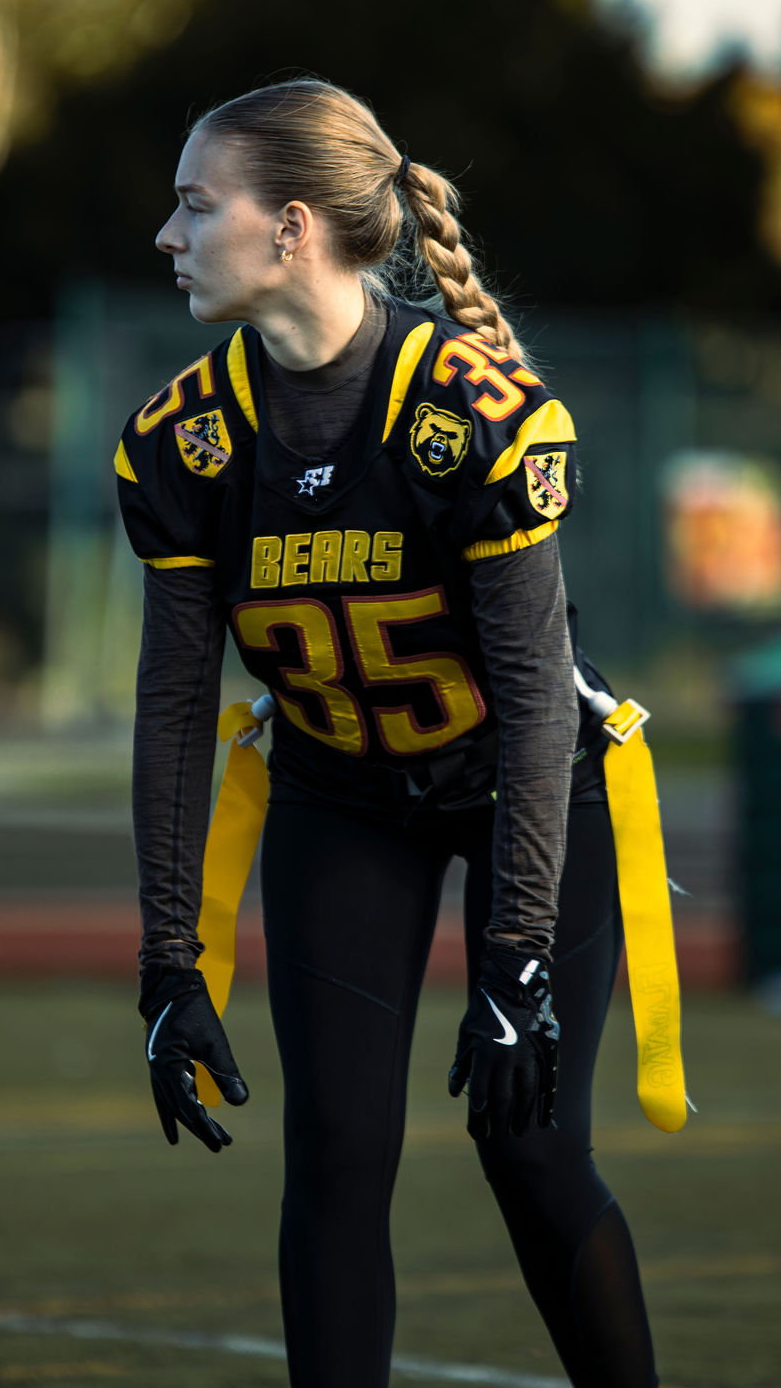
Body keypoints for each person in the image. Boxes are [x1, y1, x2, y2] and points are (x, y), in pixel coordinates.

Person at [115, 79, 661, 1388]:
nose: (169, 234)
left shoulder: (467, 411)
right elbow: (176, 707)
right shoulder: (187, 440)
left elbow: (534, 698)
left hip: (526, 784)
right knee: (339, 1156)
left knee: (529, 1147)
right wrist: (169, 962)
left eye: (196, 204)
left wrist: (517, 959)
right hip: (341, 792)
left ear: (291, 226)